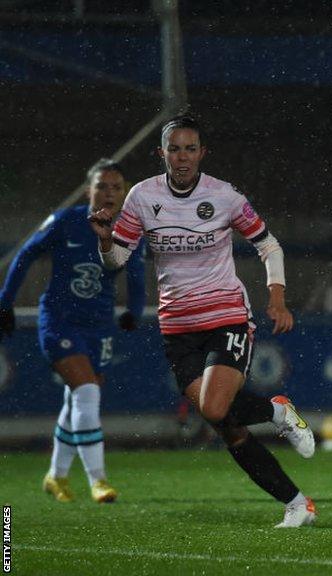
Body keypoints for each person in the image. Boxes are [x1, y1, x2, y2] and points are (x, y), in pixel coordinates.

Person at [88, 115, 317, 528]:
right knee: (225, 425)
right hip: (176, 326)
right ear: (161, 153)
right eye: (174, 148)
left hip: (226, 316)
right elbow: (117, 261)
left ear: (202, 153)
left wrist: (278, 299)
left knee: (214, 406)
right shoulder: (142, 197)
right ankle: (297, 502)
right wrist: (105, 240)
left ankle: (277, 412)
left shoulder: (224, 196)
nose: (182, 157)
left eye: (190, 148)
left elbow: (268, 244)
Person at [0, 159, 146, 504]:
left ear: (123, 193)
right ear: (88, 191)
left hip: (98, 326)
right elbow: (25, 254)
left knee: (77, 397)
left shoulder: (129, 231)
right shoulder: (66, 221)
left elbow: (137, 275)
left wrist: (134, 312)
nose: (109, 193)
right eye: (102, 186)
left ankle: (56, 476)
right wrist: (5, 301)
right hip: (59, 321)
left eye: (116, 187)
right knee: (86, 393)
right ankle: (98, 480)